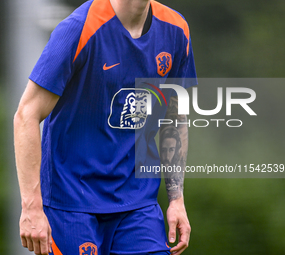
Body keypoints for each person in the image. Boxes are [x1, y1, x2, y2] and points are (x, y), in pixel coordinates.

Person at [13, 0, 196, 254]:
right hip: (72, 205)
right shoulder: (79, 28)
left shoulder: (176, 29)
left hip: (137, 203)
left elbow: (173, 117)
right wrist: (31, 207)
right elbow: (26, 115)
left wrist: (176, 199)